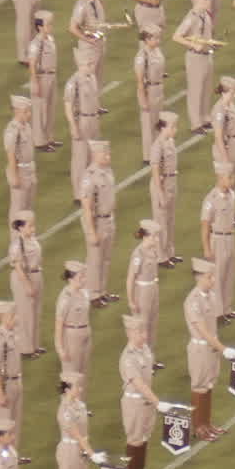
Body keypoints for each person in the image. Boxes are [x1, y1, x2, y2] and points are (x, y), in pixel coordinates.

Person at [119, 314, 172, 469]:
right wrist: (157, 402)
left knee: (144, 437)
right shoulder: (128, 357)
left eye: (144, 331)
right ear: (130, 333)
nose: (144, 336)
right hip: (135, 403)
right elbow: (139, 384)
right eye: (140, 332)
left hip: (146, 401)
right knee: (135, 439)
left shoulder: (144, 350)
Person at [184, 259, 232, 440]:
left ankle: (207, 424)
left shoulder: (210, 296)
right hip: (201, 348)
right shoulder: (193, 301)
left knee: (209, 385)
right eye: (209, 277)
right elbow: (203, 331)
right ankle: (198, 427)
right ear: (199, 277)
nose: (213, 281)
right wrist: (223, 349)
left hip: (211, 346)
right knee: (200, 387)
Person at [200, 167, 235, 321]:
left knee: (230, 275)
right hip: (217, 240)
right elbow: (205, 225)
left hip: (230, 238)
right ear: (220, 178)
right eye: (229, 178)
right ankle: (217, 313)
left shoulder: (232, 195)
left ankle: (227, 308)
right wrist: (206, 248)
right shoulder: (210, 199)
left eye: (232, 177)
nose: (232, 181)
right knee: (217, 277)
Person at [81, 142, 120, 307]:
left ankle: (102, 291)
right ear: (95, 154)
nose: (108, 157)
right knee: (95, 259)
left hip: (108, 220)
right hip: (97, 222)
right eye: (105, 154)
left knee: (106, 259)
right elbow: (87, 207)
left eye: (108, 153)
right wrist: (91, 232)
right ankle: (92, 294)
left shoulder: (107, 171)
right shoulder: (89, 177)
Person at [175, 0, 220, 132]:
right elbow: (177, 36)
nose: (208, 1)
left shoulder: (205, 15)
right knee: (196, 90)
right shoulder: (191, 17)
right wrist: (193, 45)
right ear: (197, 0)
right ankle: (195, 123)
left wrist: (212, 44)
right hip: (196, 57)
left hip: (207, 55)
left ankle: (205, 117)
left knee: (206, 88)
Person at [64, 43, 103, 197]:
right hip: (82, 121)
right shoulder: (73, 83)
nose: (92, 66)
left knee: (92, 157)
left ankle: (90, 190)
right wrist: (73, 126)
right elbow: (68, 106)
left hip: (93, 119)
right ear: (80, 64)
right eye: (89, 63)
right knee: (80, 159)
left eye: (92, 63)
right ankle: (79, 193)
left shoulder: (92, 77)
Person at [0, 299, 25, 446]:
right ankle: (3, 459)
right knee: (4, 425)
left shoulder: (13, 333)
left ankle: (13, 456)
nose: (15, 318)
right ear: (2, 317)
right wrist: (0, 392)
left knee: (15, 422)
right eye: (12, 315)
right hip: (5, 384)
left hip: (16, 382)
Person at [9, 216, 45, 358]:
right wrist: (27, 285)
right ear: (21, 228)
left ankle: (34, 345)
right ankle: (25, 348)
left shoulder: (31, 239)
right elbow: (18, 268)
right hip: (23, 278)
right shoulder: (17, 245)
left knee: (35, 311)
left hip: (35, 275)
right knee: (25, 314)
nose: (33, 228)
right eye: (29, 226)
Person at [148, 114, 182, 264]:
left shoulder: (170, 142)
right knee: (161, 221)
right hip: (161, 184)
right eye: (172, 126)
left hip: (171, 182)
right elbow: (155, 171)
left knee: (170, 220)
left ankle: (169, 252)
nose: (175, 129)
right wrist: (160, 193)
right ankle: (161, 256)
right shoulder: (157, 146)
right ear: (163, 127)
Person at [127, 220, 165, 352]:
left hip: (153, 287)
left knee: (153, 323)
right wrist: (131, 300)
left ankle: (150, 358)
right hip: (142, 291)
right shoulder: (138, 254)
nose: (157, 239)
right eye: (154, 236)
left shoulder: (152, 250)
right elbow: (130, 278)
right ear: (146, 236)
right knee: (142, 327)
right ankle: (140, 356)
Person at [54, 261, 93, 388]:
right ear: (71, 279)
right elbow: (59, 324)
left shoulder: (84, 293)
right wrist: (60, 348)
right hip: (71, 337)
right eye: (81, 277)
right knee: (71, 376)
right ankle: (68, 406)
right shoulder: (65, 298)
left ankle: (80, 406)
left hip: (85, 332)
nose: (84, 279)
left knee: (83, 375)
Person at [27, 11, 61, 152]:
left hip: (51, 76)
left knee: (50, 109)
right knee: (40, 110)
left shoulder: (50, 39)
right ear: (40, 27)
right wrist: (35, 82)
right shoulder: (36, 44)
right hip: (41, 78)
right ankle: (39, 142)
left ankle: (48, 138)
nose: (50, 27)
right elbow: (32, 63)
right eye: (48, 24)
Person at [4, 95, 38, 217]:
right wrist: (14, 176)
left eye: (29, 111)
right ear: (16, 111)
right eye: (25, 111)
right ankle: (15, 236)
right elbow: (11, 154)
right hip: (20, 171)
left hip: (29, 169)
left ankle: (25, 236)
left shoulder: (27, 126)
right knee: (18, 208)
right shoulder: (12, 130)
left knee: (28, 208)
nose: (29, 114)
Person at [134, 24, 169, 124]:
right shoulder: (142, 56)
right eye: (156, 38)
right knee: (149, 124)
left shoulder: (157, 50)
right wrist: (143, 101)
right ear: (147, 39)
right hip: (149, 90)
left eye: (159, 37)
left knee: (158, 121)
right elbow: (140, 81)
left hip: (159, 87)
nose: (159, 40)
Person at [211, 76, 235, 172]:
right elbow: (218, 136)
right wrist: (225, 158)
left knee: (234, 180)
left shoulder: (230, 104)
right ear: (224, 92)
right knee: (227, 180)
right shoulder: (219, 110)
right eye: (233, 93)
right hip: (226, 147)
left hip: (234, 144)